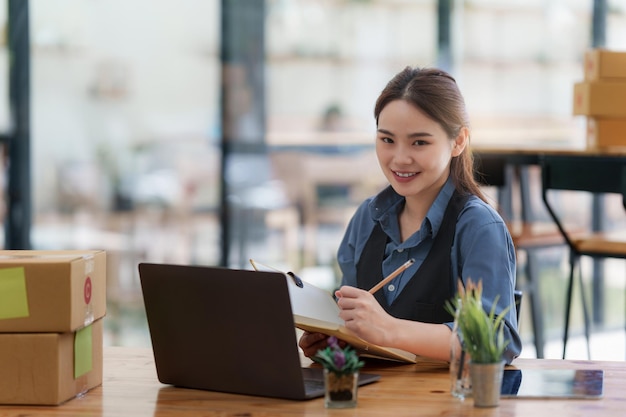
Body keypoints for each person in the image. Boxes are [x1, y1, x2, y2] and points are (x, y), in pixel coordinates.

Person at [298, 66, 521, 364]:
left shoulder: (479, 227)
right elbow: (352, 324)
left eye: (419, 142)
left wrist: (390, 330)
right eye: (387, 140)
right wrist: (335, 342)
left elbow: (496, 340)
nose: (400, 158)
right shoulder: (367, 218)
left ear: (458, 141)